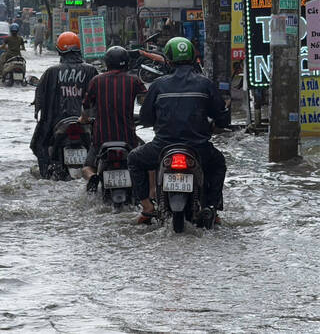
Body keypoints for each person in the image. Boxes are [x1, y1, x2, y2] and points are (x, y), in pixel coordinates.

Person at [128, 37, 230, 225]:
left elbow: (145, 118)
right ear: (192, 59)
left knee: (134, 159)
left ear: (168, 60)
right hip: (199, 149)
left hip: (162, 147)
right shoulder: (205, 84)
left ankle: (147, 207)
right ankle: (212, 209)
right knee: (218, 164)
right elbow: (223, 118)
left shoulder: (158, 85)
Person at [30, 32, 99, 178]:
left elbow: (40, 97)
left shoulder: (51, 72)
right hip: (86, 123)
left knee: (38, 144)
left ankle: (46, 174)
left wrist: (37, 110)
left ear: (59, 50)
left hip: (56, 122)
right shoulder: (91, 70)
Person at [79, 46, 147, 191]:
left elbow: (86, 105)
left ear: (107, 63)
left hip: (101, 137)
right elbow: (145, 101)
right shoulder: (134, 80)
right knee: (144, 163)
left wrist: (83, 119)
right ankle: (150, 194)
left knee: (86, 168)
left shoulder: (96, 80)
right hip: (128, 137)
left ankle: (93, 177)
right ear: (126, 63)